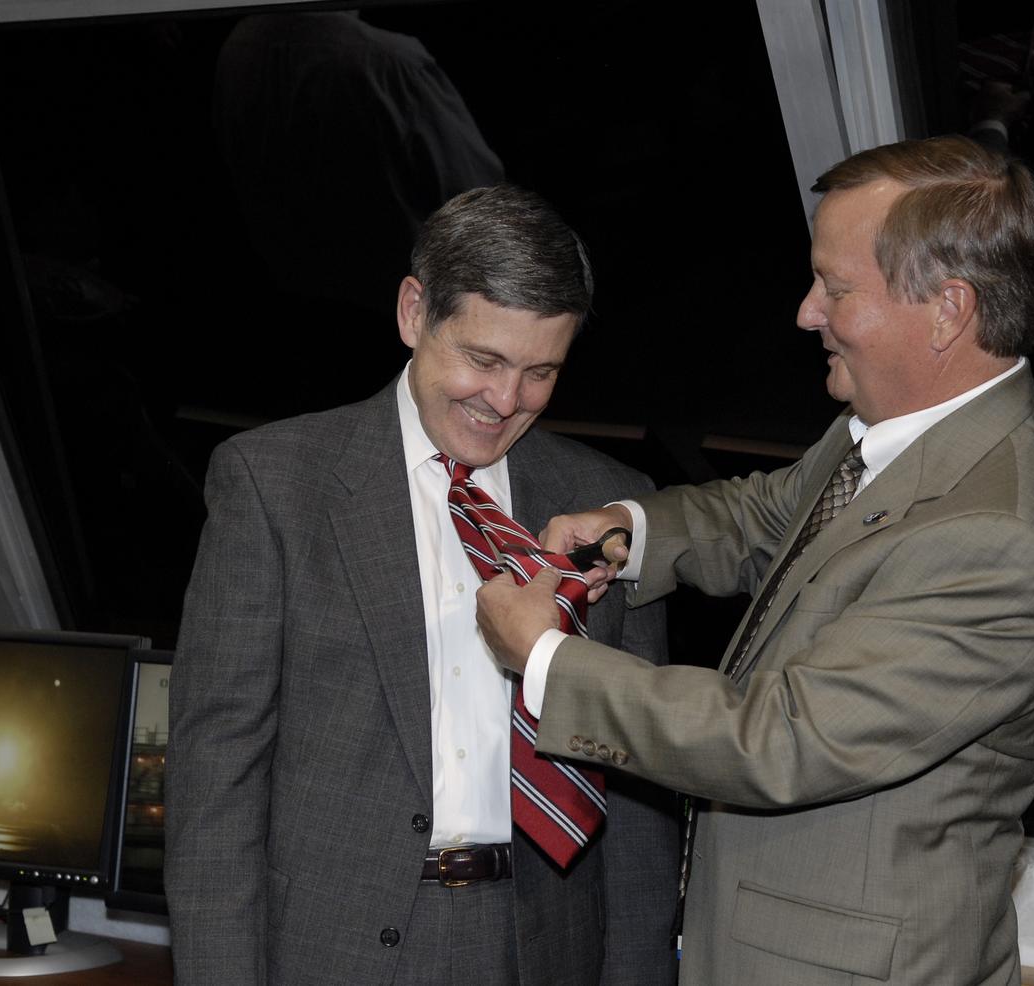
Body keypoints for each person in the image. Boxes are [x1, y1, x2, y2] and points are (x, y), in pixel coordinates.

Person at [474, 136, 1034, 985]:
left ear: (948, 310)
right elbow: (775, 513)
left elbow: (777, 739)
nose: (807, 313)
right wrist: (627, 528)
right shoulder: (907, 428)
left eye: (836, 289)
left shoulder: (997, 541)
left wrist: (546, 660)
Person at [165, 185, 678, 986]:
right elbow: (215, 787)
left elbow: (640, 798)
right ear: (413, 312)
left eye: (540, 372)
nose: (506, 402)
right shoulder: (274, 486)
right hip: (327, 949)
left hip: (541, 947)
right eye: (483, 359)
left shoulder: (608, 507)